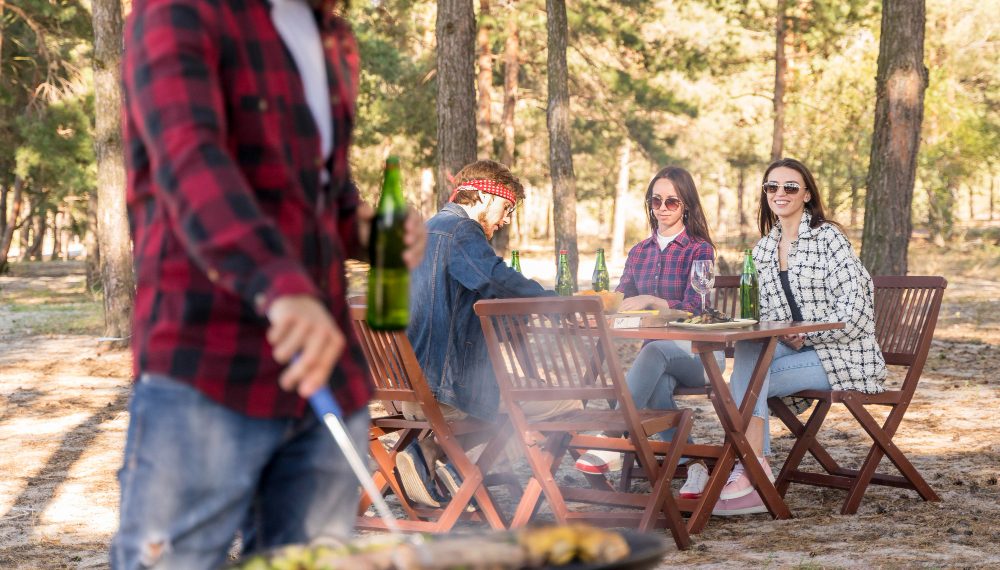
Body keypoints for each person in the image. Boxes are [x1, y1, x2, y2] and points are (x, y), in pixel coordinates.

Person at [112, 1, 425, 568]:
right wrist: (281, 287)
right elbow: (190, 164)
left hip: (327, 383)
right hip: (205, 372)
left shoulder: (332, 37)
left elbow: (321, 199)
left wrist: (370, 234)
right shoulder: (180, 10)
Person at [395, 159, 578, 508]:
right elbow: (495, 279)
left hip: (407, 390)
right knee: (565, 400)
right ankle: (442, 458)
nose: (507, 219)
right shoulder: (461, 231)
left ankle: (438, 458)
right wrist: (558, 305)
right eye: (506, 207)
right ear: (480, 195)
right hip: (444, 393)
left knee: (503, 397)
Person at [713, 158, 886, 516]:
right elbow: (768, 316)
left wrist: (804, 332)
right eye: (772, 187)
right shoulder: (762, 250)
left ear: (806, 195)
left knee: (745, 387)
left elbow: (856, 311)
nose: (780, 193)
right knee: (750, 349)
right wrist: (785, 330)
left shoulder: (828, 238)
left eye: (790, 187)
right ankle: (754, 464)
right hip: (797, 347)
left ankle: (747, 470)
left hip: (844, 355)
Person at [573, 166, 723, 502]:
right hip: (655, 359)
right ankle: (695, 465)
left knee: (653, 352)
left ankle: (611, 437)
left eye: (672, 201)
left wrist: (655, 300)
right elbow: (619, 299)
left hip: (697, 355)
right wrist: (596, 306)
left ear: (686, 205)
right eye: (656, 201)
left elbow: (698, 308)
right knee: (657, 390)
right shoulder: (639, 252)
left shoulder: (700, 249)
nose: (663, 208)